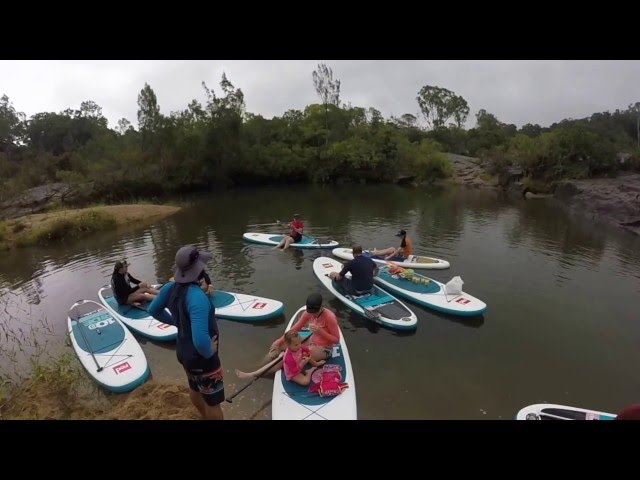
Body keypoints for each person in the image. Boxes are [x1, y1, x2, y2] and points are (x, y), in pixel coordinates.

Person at [147, 245, 224, 420]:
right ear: (198, 269)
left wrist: (177, 323)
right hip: (203, 358)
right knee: (213, 401)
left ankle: (204, 416)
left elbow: (153, 310)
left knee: (195, 387)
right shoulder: (197, 298)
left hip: (183, 351)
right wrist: (210, 351)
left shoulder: (169, 287)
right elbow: (200, 340)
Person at [235, 293, 339, 380]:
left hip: (324, 348)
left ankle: (253, 374)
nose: (313, 315)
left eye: (315, 313)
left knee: (285, 357)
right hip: (311, 341)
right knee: (280, 346)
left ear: (321, 307)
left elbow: (336, 340)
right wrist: (279, 341)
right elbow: (295, 328)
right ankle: (261, 363)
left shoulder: (330, 317)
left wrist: (321, 332)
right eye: (311, 313)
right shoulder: (309, 313)